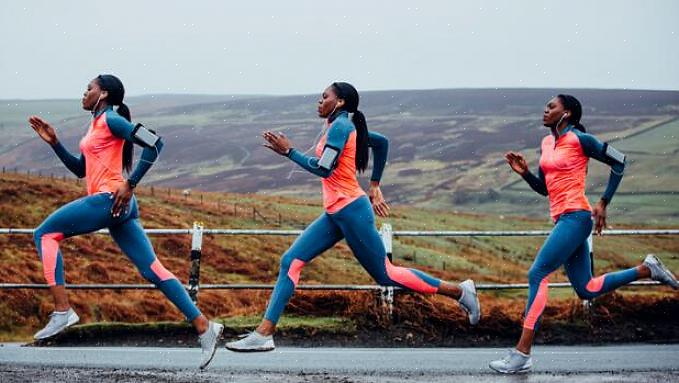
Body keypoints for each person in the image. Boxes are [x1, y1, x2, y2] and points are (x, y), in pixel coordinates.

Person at [225, 82, 480, 352]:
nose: (318, 101)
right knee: (290, 261)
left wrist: (289, 152)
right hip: (336, 212)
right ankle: (265, 333)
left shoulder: (343, 127)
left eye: (324, 97)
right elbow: (381, 143)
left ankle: (460, 292)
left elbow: (323, 169)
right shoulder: (341, 125)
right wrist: (374, 185)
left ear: (341, 102)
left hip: (351, 210)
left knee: (387, 275)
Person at [29, 74, 223, 369]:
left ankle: (62, 310)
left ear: (103, 93)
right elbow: (82, 170)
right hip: (119, 205)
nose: (84, 93)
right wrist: (55, 143)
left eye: (89, 88)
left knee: (45, 234)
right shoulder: (96, 124)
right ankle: (204, 326)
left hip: (111, 200)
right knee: (153, 269)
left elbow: (156, 143)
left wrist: (131, 183)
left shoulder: (111, 119)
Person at [490, 94, 678, 374]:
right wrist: (525, 173)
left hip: (577, 217)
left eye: (551, 106)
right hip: (563, 219)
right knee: (585, 288)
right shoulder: (546, 143)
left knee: (537, 274)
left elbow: (620, 161)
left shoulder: (581, 140)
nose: (545, 109)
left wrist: (603, 202)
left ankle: (522, 353)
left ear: (567, 114)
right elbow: (545, 189)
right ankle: (646, 269)